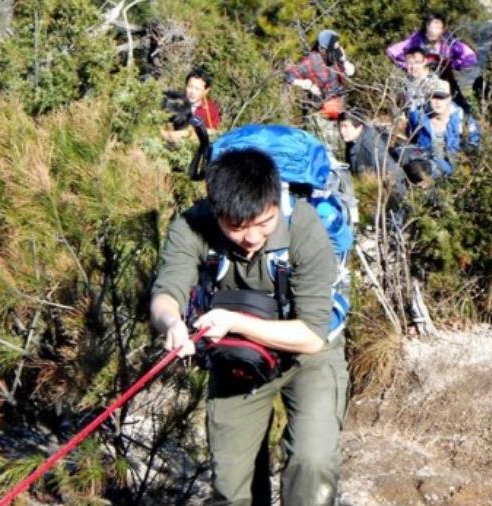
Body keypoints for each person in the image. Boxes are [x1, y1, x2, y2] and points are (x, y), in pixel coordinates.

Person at [150, 148, 346, 505]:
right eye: (237, 227)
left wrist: (235, 321)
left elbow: (313, 336)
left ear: (276, 202)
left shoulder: (303, 226)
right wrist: (172, 323)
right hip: (236, 357)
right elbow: (166, 292)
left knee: (312, 460)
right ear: (216, 211)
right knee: (231, 483)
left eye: (264, 223)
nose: (253, 238)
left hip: (306, 357)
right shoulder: (193, 225)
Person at [387, 13, 478, 112]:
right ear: (426, 26)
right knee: (414, 110)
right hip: (419, 82)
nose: (436, 30)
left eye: (439, 27)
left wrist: (453, 65)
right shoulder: (415, 41)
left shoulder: (449, 41)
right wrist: (408, 66)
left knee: (458, 108)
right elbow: (392, 52)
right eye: (433, 26)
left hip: (444, 80)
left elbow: (470, 56)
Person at [286, 29, 355, 147]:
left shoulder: (337, 55)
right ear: (322, 49)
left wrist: (344, 60)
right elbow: (288, 76)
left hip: (340, 110)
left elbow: (351, 72)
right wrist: (307, 85)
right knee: (325, 149)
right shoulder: (311, 61)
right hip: (320, 114)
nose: (337, 49)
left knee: (343, 146)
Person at [405, 79, 480, 177]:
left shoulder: (464, 121)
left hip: (459, 175)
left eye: (442, 97)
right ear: (427, 98)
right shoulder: (418, 117)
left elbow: (475, 147)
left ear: (449, 98)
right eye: (434, 97)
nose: (438, 102)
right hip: (427, 168)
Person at [161, 68, 221, 142]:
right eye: (190, 87)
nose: (192, 92)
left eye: (197, 89)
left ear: (206, 91)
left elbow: (214, 132)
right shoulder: (173, 100)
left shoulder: (210, 109)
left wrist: (186, 133)